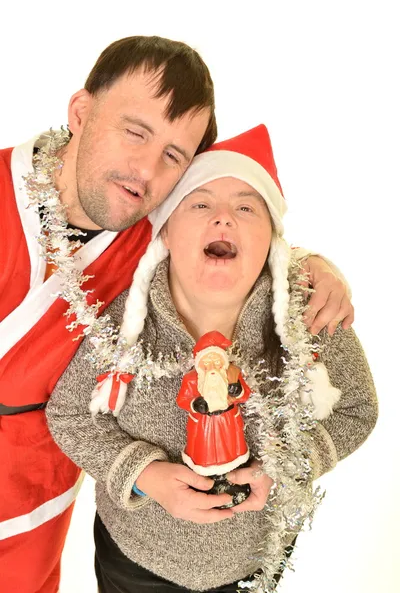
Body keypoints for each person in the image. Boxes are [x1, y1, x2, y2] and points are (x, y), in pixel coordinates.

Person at [0, 36, 352, 593]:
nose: (144, 168)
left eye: (173, 156)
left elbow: (230, 231)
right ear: (81, 111)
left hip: (37, 488)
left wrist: (312, 264)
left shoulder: (144, 232)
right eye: (135, 131)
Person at [46, 124, 377, 593]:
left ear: (272, 240)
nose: (224, 219)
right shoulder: (125, 323)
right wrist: (145, 473)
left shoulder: (309, 312)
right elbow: (70, 412)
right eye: (200, 204)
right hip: (137, 556)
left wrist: (287, 467)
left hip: (253, 560)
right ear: (166, 233)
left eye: (246, 207)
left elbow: (358, 408)